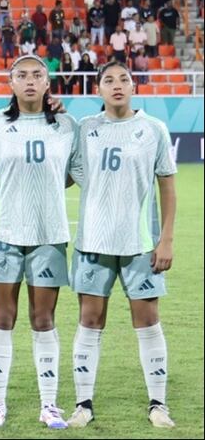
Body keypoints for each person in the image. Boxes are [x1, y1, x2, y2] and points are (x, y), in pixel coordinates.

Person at [66, 62, 177, 429]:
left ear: (133, 87)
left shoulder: (153, 129)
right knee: (90, 320)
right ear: (98, 89)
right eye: (108, 80)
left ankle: (158, 404)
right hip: (93, 242)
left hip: (140, 244)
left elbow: (167, 186)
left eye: (124, 79)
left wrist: (166, 239)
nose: (117, 85)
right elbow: (69, 175)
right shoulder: (85, 129)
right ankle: (83, 405)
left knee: (148, 321)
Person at [0, 56, 77, 430]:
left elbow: (73, 172)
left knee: (43, 319)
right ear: (11, 83)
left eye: (37, 74)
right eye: (22, 75)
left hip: (49, 235)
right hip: (4, 233)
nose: (30, 80)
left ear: (48, 83)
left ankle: (49, 405)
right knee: (2, 318)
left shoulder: (66, 125)